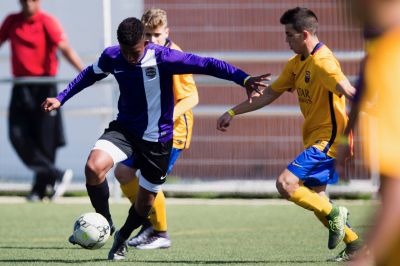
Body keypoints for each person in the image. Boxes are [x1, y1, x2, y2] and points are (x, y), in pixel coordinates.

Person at [41, 17, 269, 260]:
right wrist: (61, 97)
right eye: (126, 52)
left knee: (145, 203)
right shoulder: (113, 56)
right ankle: (105, 223)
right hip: (125, 131)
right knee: (93, 167)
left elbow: (207, 64)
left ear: (145, 42)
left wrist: (244, 79)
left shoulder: (164, 57)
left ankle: (123, 238)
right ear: (120, 45)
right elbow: (90, 74)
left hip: (157, 140)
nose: (130, 57)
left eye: (136, 51)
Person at [217, 7, 361, 261]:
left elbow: (346, 88)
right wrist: (232, 111)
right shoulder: (296, 64)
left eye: (289, 35)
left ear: (304, 34)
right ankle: (355, 245)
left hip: (330, 139)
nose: (286, 41)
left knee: (286, 184)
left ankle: (338, 213)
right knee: (317, 200)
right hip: (315, 138)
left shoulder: (323, 61)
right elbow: (270, 94)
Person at [114, 8, 199, 250]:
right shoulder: (141, 54)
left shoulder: (173, 56)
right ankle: (149, 221)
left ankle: (160, 232)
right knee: (123, 173)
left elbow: (191, 98)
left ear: (167, 32)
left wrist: (164, 119)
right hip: (145, 130)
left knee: (148, 183)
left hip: (172, 132)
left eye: (157, 34)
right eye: (147, 35)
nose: (152, 40)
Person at [334, 0, 400, 265]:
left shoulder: (391, 60)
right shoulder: (382, 50)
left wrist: (362, 260)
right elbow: (362, 87)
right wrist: (344, 136)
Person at [0, 0, 84, 201]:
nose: (28, 3)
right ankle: (57, 175)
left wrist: (85, 73)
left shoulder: (47, 21)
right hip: (21, 87)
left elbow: (65, 48)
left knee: (46, 141)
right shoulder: (12, 21)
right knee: (16, 135)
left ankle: (38, 190)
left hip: (45, 87)